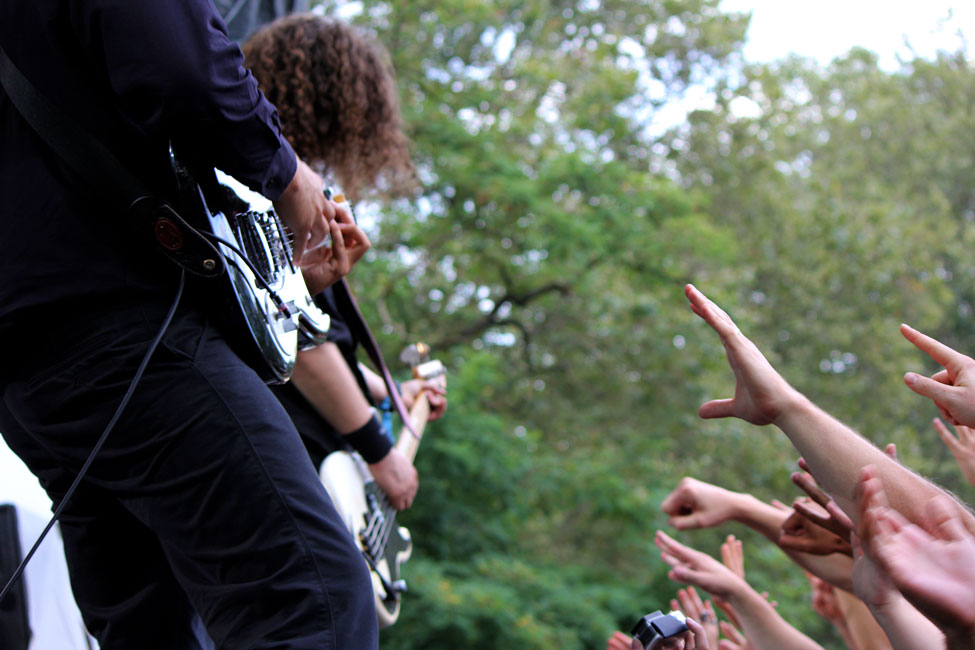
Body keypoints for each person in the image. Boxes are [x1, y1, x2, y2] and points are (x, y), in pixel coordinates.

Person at [0, 2, 376, 648]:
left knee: (152, 627)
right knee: (310, 599)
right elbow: (182, 70)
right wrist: (287, 174)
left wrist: (277, 286)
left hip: (34, 362)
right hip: (118, 325)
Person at [241, 14, 445, 511]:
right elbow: (296, 338)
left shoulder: (279, 185)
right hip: (283, 448)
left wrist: (390, 392)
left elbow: (320, 338)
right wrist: (380, 453)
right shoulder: (275, 192)